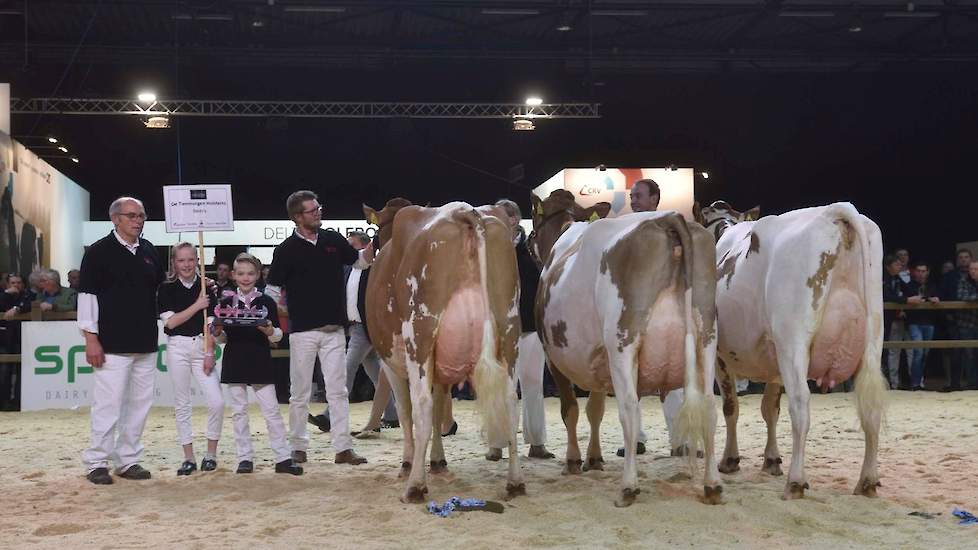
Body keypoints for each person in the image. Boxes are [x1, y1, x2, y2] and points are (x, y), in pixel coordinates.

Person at [266, 190, 372, 466]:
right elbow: (272, 290)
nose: (318, 213)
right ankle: (298, 446)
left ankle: (343, 448)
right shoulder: (285, 250)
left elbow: (360, 261)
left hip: (335, 331)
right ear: (297, 217)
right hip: (302, 333)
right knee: (299, 392)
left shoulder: (333, 240)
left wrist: (377, 241)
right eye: (312, 211)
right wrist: (281, 317)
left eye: (318, 208)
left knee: (338, 391)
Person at [78, 197, 165, 485]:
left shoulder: (150, 250)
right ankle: (96, 462)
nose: (138, 220)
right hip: (111, 343)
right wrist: (91, 338)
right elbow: (88, 297)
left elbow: (159, 292)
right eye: (131, 215)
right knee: (108, 404)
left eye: (142, 215)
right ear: (115, 219)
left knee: (139, 404)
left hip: (145, 341)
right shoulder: (98, 253)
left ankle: (127, 460)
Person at [213, 253, 300, 475]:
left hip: (260, 359)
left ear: (258, 275)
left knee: (271, 411)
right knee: (239, 412)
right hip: (235, 360)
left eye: (250, 273)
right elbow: (221, 338)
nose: (245, 278)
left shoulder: (266, 302)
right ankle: (244, 459)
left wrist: (271, 331)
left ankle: (282, 457)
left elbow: (277, 336)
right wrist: (218, 332)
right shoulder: (224, 303)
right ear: (233, 275)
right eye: (241, 273)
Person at [309, 231, 399, 436]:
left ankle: (328, 416)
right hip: (354, 327)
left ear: (365, 246)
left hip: (366, 328)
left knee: (346, 369)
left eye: (352, 244)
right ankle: (392, 416)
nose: (347, 247)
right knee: (376, 374)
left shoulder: (375, 269)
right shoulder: (348, 269)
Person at [491, 199, 554, 460]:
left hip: (529, 326)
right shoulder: (492, 250)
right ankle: (497, 444)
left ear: (514, 220)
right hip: (500, 328)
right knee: (501, 387)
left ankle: (536, 443)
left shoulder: (532, 249)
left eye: (500, 217)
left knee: (532, 385)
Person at [158, 243, 224, 475]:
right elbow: (171, 322)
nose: (186, 265)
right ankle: (188, 458)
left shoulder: (208, 287)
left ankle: (211, 454)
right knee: (182, 403)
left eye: (190, 260)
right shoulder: (166, 289)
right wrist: (197, 305)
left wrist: (209, 352)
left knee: (216, 401)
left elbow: (210, 325)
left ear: (197, 260)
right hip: (177, 347)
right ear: (174, 263)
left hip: (201, 347)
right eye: (181, 260)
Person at [940, 249, 976, 391]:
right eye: (961, 257)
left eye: (967, 257)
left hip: (973, 320)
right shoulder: (955, 278)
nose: (964, 260)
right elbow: (962, 297)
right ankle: (960, 383)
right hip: (960, 320)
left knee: (972, 353)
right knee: (961, 352)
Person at [905, 261, 940, 391]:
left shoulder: (933, 285)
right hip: (914, 322)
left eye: (923, 271)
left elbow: (938, 297)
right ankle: (915, 383)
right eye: (918, 271)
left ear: (928, 272)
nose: (921, 273)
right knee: (918, 352)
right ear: (914, 272)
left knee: (925, 353)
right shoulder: (909, 286)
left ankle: (920, 380)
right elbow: (906, 298)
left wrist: (936, 299)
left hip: (929, 322)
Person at [0, 273, 31, 411]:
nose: (16, 285)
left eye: (18, 282)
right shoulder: (3, 295)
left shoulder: (27, 295)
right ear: (7, 284)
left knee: (22, 371)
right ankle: (3, 401)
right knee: (4, 370)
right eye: (13, 283)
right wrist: (6, 294)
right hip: (4, 338)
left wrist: (17, 309)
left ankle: (18, 401)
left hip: (22, 337)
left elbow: (31, 305)